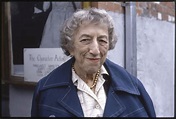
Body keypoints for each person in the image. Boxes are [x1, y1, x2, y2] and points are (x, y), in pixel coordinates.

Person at [31, 8, 156, 117]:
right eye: (85, 40)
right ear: (70, 47)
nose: (95, 50)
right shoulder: (47, 91)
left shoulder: (133, 88)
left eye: (102, 40)